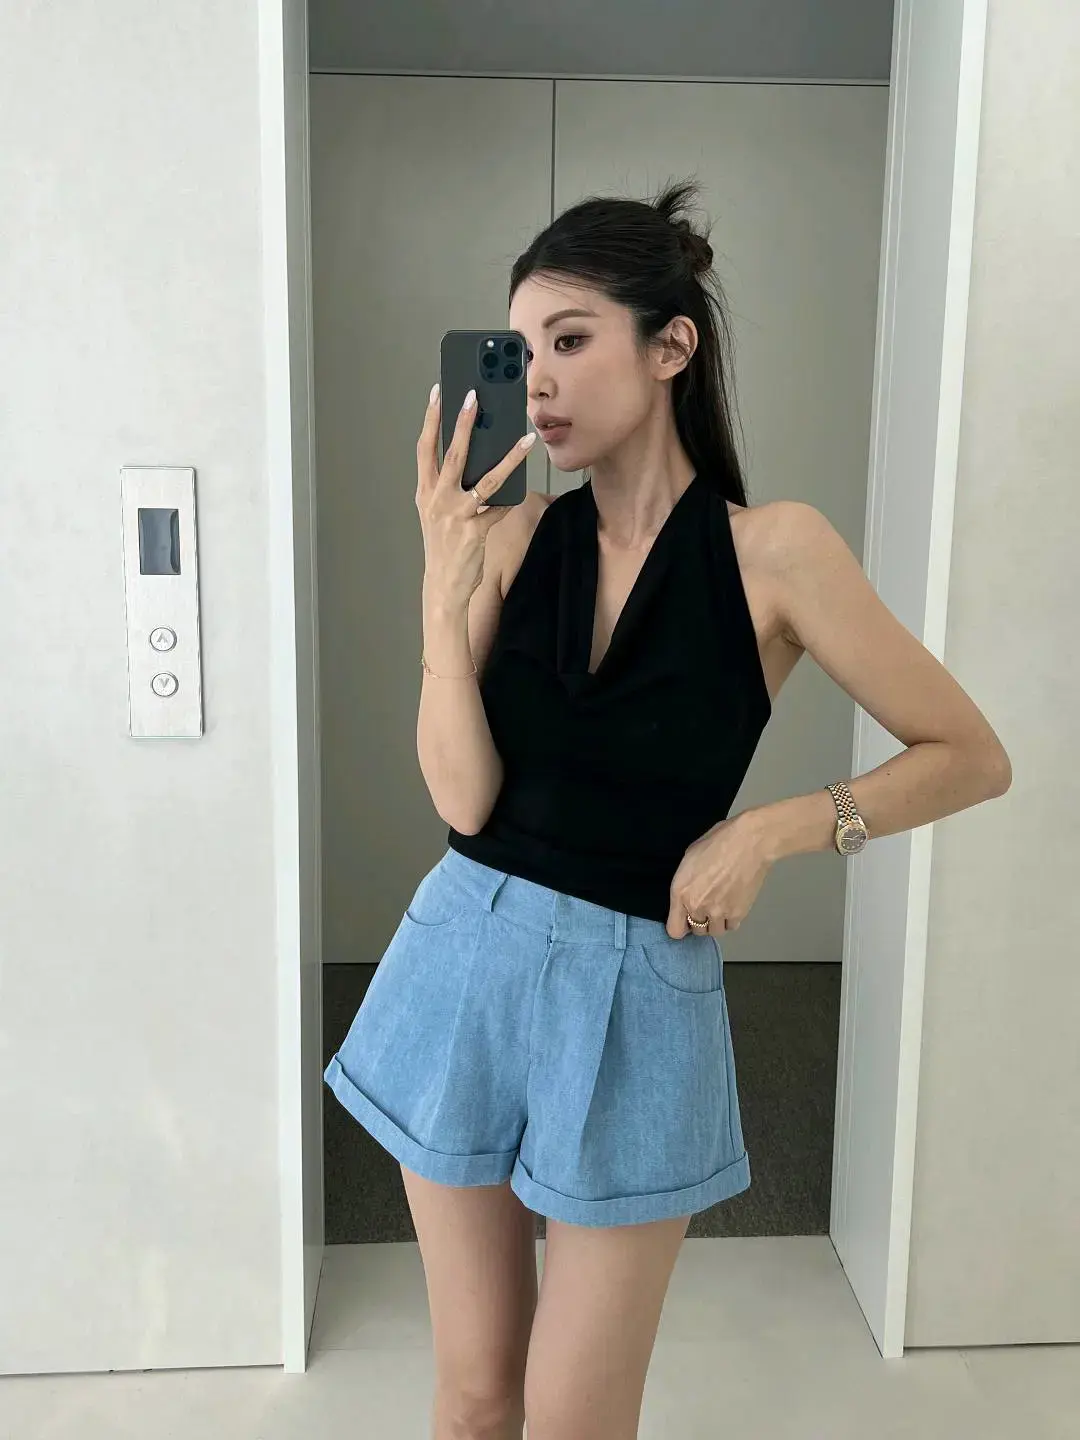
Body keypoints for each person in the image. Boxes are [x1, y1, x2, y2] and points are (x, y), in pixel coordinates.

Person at [324, 177, 1012, 1440]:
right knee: (473, 1401)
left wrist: (774, 830)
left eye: (569, 340)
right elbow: (463, 797)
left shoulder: (777, 553)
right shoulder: (517, 539)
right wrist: (440, 586)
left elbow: (970, 755)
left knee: (575, 1422)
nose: (536, 382)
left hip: (637, 990)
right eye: (519, 351)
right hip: (463, 957)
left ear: (671, 346)